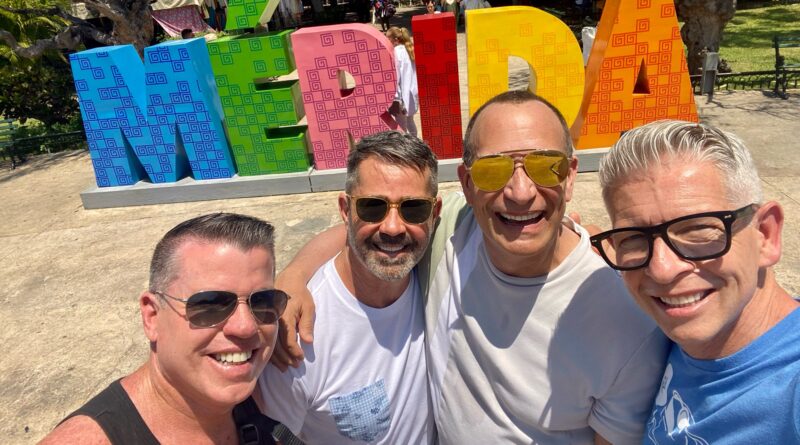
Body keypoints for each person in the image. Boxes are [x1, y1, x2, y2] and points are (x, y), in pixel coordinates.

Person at [275, 90, 669, 444]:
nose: (520, 192)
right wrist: (293, 275)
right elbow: (370, 224)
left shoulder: (627, 319)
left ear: (569, 178)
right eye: (493, 170)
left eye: (545, 167)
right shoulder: (454, 226)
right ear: (466, 184)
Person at [590, 120, 800, 443]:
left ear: (766, 236)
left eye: (697, 231)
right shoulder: (692, 319)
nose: (661, 270)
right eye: (634, 238)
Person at [39, 213, 288, 445]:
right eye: (211, 305)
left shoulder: (262, 387)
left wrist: (299, 271)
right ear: (152, 317)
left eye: (264, 302)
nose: (245, 327)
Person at [260, 131, 439, 444]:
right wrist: (295, 275)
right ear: (346, 210)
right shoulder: (298, 335)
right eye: (372, 207)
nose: (394, 227)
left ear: (434, 214)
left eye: (413, 209)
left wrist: (294, 270)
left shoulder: (436, 267)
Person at [386, 27, 419, 137]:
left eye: (388, 38)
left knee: (401, 127)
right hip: (411, 93)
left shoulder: (396, 53)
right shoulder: (409, 49)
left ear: (395, 39)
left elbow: (396, 78)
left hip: (401, 97)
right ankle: (416, 145)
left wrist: (396, 99)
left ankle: (406, 151)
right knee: (410, 122)